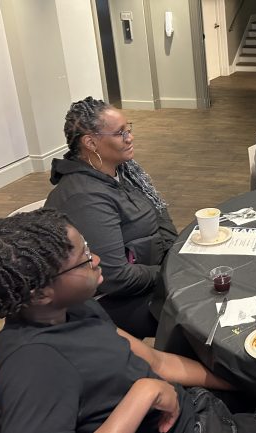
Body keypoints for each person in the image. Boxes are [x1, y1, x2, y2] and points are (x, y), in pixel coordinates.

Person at [0, 209, 256, 433]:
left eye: (88, 248)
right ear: (40, 293)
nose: (97, 259)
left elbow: (157, 362)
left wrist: (243, 384)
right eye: (84, 259)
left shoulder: (76, 308)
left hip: (192, 405)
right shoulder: (34, 363)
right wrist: (144, 394)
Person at [45, 96, 177, 339]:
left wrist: (176, 254)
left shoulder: (125, 172)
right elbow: (115, 277)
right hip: (113, 302)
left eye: (129, 129)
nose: (130, 138)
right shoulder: (84, 197)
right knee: (200, 312)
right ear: (91, 143)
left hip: (150, 276)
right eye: (120, 133)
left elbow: (159, 215)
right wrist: (170, 272)